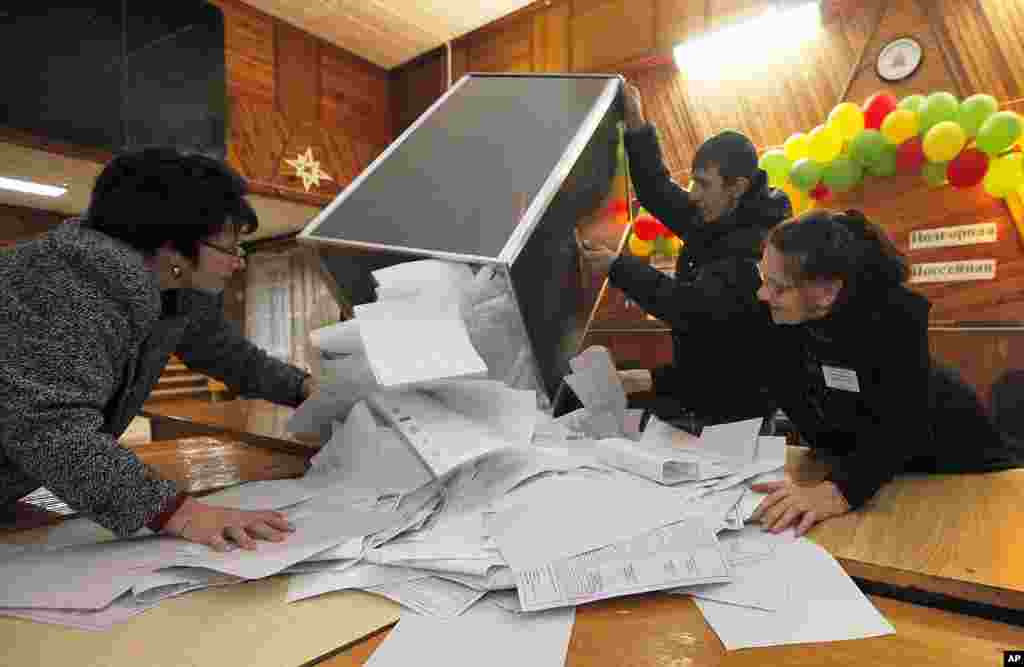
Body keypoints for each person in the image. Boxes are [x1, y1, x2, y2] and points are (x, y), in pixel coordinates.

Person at [0, 147, 325, 551]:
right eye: (229, 247)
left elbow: (224, 352)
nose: (239, 261)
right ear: (172, 246)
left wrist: (305, 388)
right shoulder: (60, 285)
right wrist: (181, 513)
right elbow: (49, 428)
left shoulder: (175, 289)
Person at [748, 209, 1023, 535]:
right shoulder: (788, 315)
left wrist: (838, 492)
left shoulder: (893, 318)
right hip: (880, 472)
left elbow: (899, 424)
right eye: (763, 278)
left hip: (957, 466)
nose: (763, 295)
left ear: (827, 292)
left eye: (777, 287)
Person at [583, 83, 791, 427]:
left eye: (703, 184)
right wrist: (637, 126)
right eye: (693, 182)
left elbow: (689, 307)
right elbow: (657, 190)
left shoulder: (757, 245)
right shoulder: (715, 214)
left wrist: (617, 267)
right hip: (696, 392)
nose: (693, 195)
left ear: (736, 187)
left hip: (740, 415)